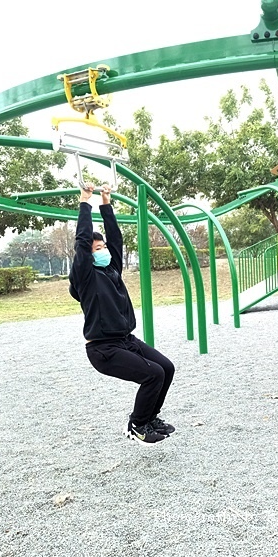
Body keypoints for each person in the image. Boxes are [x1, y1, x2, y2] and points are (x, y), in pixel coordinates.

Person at [69, 183, 176, 446]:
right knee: (153, 374)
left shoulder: (112, 269)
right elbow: (82, 242)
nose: (103, 250)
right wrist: (86, 201)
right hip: (103, 349)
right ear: (88, 256)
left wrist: (106, 204)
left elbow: (116, 239)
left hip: (126, 340)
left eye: (102, 247)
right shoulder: (86, 277)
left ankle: (150, 418)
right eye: (97, 249)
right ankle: (137, 425)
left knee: (167, 368)